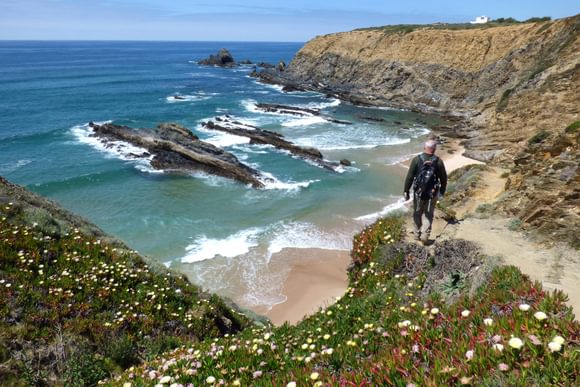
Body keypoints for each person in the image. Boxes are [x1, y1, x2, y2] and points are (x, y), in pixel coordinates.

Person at [403, 139, 447, 245]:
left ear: (424, 147)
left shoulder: (417, 160)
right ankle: (425, 235)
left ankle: (416, 234)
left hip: (418, 193)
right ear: (435, 149)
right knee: (428, 214)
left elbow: (409, 177)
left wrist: (406, 191)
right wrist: (442, 191)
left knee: (417, 213)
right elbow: (444, 178)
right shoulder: (438, 161)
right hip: (432, 193)